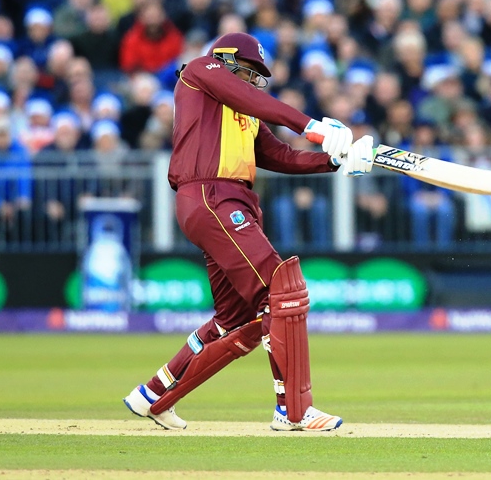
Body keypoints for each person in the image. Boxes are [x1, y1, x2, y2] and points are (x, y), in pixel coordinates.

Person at [123, 32, 373, 431]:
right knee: (281, 291)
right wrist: (314, 127)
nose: (255, 80)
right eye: (250, 70)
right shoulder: (200, 71)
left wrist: (335, 160)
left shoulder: (245, 111)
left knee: (235, 320)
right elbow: (258, 102)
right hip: (210, 194)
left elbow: (279, 156)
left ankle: (154, 394)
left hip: (229, 202)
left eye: (260, 75)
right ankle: (292, 410)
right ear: (227, 60)